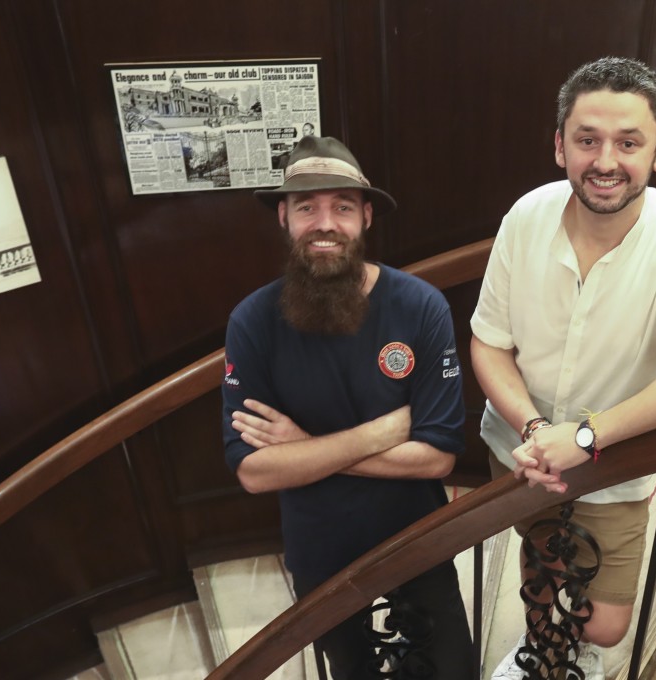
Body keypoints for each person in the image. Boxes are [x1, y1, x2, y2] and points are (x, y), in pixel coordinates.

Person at [470, 57, 656, 679]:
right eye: (587, 140)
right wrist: (537, 430)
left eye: (629, 142)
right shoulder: (526, 217)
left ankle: (580, 650)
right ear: (559, 145)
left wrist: (586, 437)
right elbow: (488, 345)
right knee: (539, 558)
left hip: (612, 465)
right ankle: (539, 652)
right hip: (519, 442)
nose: (605, 161)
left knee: (606, 621)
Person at [222, 135, 473, 680]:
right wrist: (386, 431)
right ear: (284, 218)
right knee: (351, 672)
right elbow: (255, 472)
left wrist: (304, 449)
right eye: (307, 208)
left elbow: (436, 459)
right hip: (320, 551)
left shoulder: (419, 306)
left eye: (341, 207)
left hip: (416, 537)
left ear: (365, 218)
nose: (324, 223)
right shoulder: (253, 321)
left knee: (453, 670)